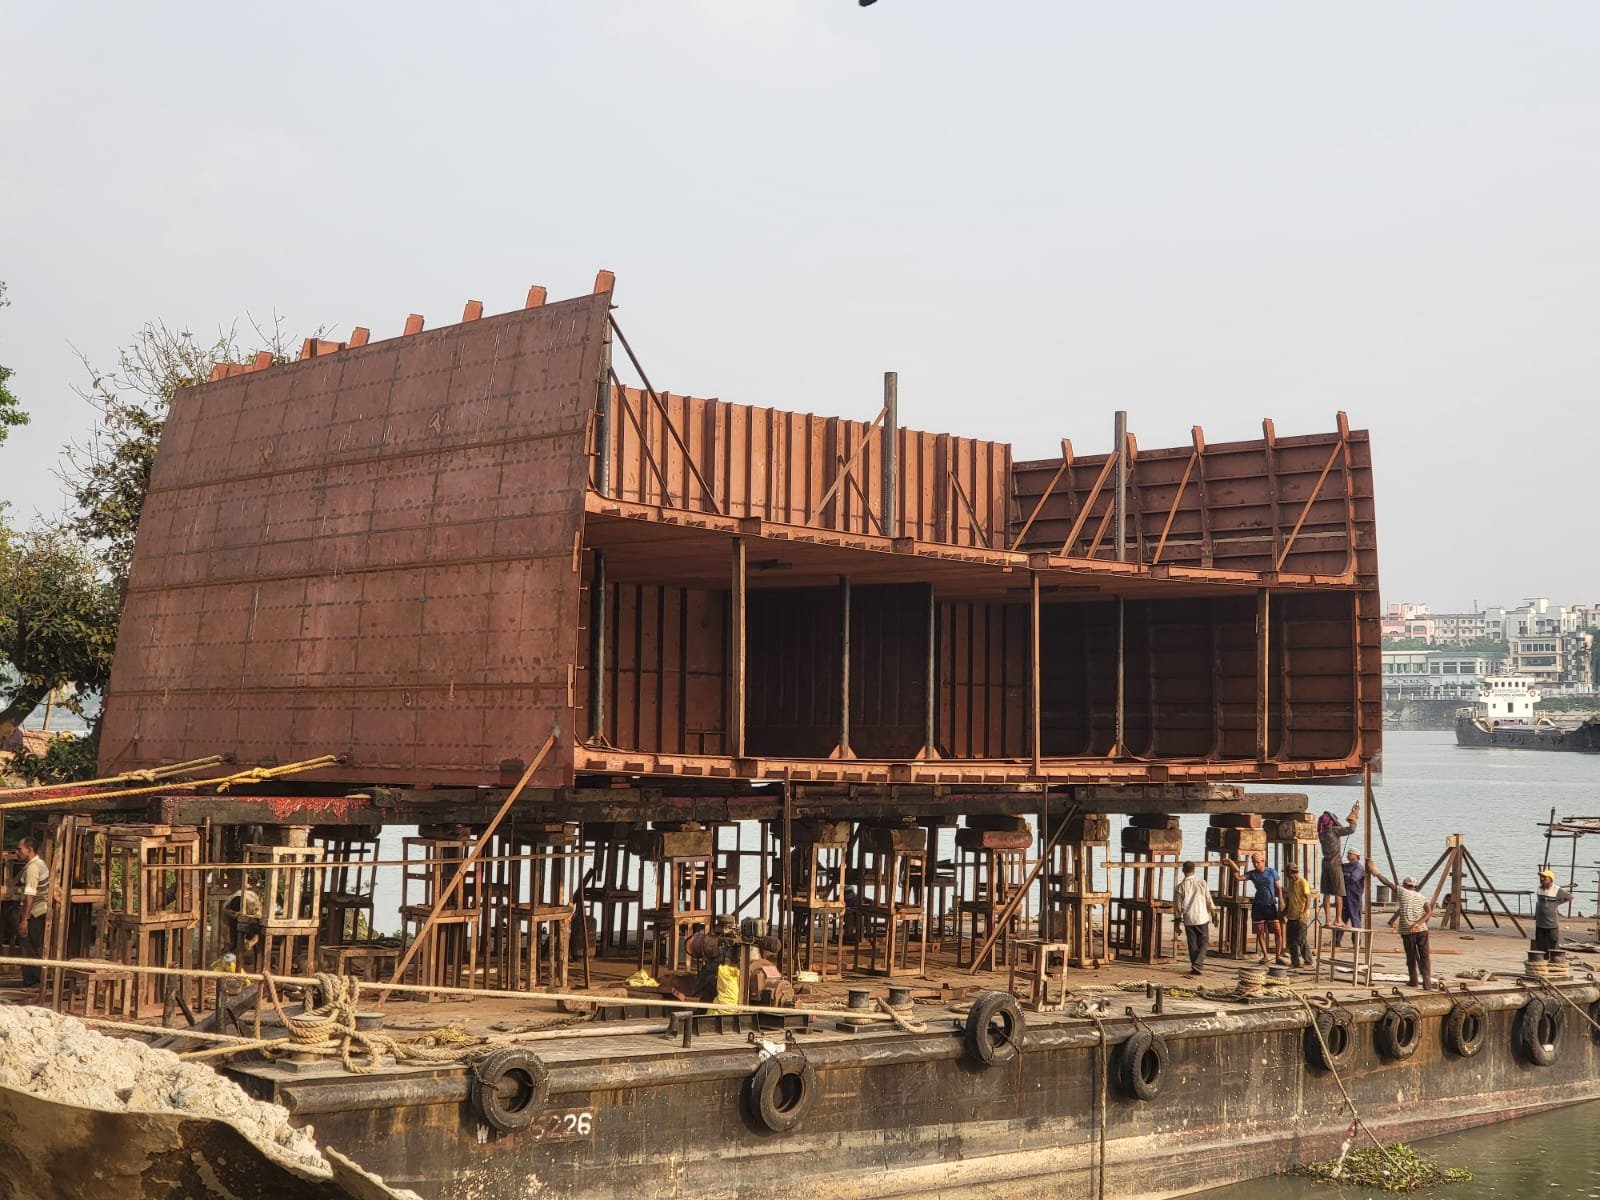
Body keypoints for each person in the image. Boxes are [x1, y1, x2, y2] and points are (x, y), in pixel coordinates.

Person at [1369, 862, 1434, 987]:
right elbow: (1429, 911)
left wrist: (1375, 872)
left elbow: (1387, 883)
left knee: (1411, 957)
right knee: (1424, 956)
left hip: (1408, 930)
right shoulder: (1421, 897)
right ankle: (1427, 982)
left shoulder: (1403, 892)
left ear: (1405, 885)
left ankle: (1413, 980)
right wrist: (1419, 923)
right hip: (1422, 930)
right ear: (1415, 886)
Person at [1227, 853, 1284, 964]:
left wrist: (1281, 900)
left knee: (1278, 931)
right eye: (1254, 862)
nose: (1256, 864)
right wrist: (1232, 865)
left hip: (1270, 905)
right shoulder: (1252, 874)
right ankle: (1265, 956)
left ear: (1263, 861)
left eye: (1258, 862)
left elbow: (1278, 888)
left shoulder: (1271, 871)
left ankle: (1278, 956)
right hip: (1258, 906)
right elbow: (1238, 878)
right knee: (1260, 932)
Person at [1173, 861, 1218, 977]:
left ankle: (1195, 966)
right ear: (1194, 870)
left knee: (1192, 944)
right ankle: (1198, 964)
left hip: (1189, 918)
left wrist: (1177, 923)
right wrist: (1214, 913)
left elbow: (1177, 907)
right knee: (1204, 941)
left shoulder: (1179, 887)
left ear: (1183, 871)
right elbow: (1209, 900)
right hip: (1202, 916)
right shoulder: (1202, 883)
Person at [1318, 805, 1360, 929]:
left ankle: (1328, 920)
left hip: (1325, 864)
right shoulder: (1334, 830)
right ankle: (1338, 919)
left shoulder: (1321, 834)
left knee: (1326, 894)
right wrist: (1354, 814)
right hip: (1335, 865)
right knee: (1339, 894)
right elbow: (1351, 829)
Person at [17, 837, 49, 987]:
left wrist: (24, 920)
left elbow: (30, 896)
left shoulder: (32, 868)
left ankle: (32, 983)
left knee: (28, 948)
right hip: (40, 910)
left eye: (20, 849)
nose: (17, 853)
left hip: (35, 912)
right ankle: (35, 981)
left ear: (29, 850)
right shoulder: (40, 863)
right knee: (35, 947)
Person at [1281, 862, 1314, 968]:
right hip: (1291, 915)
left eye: (1287, 873)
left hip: (1300, 916)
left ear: (1290, 872)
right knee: (1291, 940)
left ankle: (1308, 960)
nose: (1286, 875)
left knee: (1300, 939)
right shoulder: (1291, 883)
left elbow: (1308, 898)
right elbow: (1289, 901)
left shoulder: (1302, 882)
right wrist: (1283, 913)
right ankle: (1295, 962)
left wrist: (1303, 913)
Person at [1533, 869, 1572, 953]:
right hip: (1540, 922)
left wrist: (1557, 903)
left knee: (1553, 943)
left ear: (1550, 879)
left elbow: (1569, 897)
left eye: (1544, 877)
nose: (1542, 879)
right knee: (1540, 944)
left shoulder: (1557, 889)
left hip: (1551, 923)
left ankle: (1554, 960)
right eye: (1541, 877)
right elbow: (1539, 902)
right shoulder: (1539, 889)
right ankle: (1543, 959)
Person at [1333, 850, 1365, 948]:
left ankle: (1356, 943)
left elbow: (1353, 879)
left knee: (1355, 920)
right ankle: (1336, 941)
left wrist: (1343, 876)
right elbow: (1337, 872)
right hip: (1344, 897)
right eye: (1347, 853)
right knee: (1341, 918)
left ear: (1356, 855)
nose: (1348, 855)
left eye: (1350, 853)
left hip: (1354, 897)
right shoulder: (1345, 866)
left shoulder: (1358, 867)